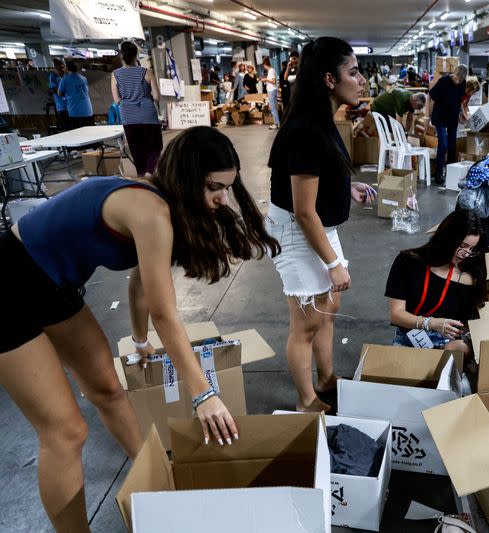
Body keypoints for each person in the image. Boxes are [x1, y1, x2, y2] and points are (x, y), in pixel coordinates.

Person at [0, 126, 280, 532]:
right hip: (9, 283)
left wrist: (140, 340)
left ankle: (158, 481)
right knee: (66, 433)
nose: (222, 199)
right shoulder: (151, 211)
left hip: (53, 285)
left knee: (110, 391)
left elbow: (140, 286)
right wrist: (204, 394)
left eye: (228, 187)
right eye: (214, 187)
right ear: (186, 178)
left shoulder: (161, 205)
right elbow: (167, 313)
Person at [267, 37, 375, 413]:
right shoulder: (306, 131)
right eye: (354, 72)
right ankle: (306, 400)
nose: (361, 80)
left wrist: (349, 187)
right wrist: (332, 263)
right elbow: (303, 211)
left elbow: (317, 182)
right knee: (306, 325)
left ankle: (327, 378)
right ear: (330, 79)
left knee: (328, 309)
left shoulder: (323, 120)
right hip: (298, 233)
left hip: (317, 227)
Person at [385, 209, 489, 358]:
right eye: (463, 246)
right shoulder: (407, 261)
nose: (466, 254)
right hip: (408, 336)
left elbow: (466, 324)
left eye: (471, 249)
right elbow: (396, 315)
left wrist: (462, 342)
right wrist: (432, 324)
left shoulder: (470, 276)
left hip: (446, 343)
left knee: (460, 348)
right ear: (447, 239)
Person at [111, 41, 162, 177]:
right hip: (148, 115)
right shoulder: (147, 72)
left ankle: (141, 176)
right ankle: (149, 172)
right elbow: (157, 96)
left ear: (122, 56)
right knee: (155, 148)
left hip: (128, 116)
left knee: (137, 149)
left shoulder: (115, 74)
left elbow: (116, 100)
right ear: (137, 55)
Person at [429, 63, 467, 185]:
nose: (457, 82)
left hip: (452, 118)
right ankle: (438, 173)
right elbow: (431, 96)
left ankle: (451, 174)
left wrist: (462, 113)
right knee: (443, 145)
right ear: (453, 74)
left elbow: (459, 100)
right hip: (440, 116)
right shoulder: (443, 81)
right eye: (456, 79)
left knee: (452, 146)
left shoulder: (462, 83)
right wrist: (428, 116)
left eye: (460, 80)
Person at [58, 61, 93, 130]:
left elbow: (59, 93)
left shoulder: (65, 79)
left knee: (78, 134)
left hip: (75, 111)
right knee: (89, 134)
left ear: (67, 68)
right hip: (88, 110)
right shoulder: (83, 78)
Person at [48, 58, 68, 131]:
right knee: (66, 127)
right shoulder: (53, 76)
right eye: (59, 68)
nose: (62, 70)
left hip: (70, 106)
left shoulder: (67, 75)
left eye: (63, 67)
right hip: (61, 106)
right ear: (55, 69)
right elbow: (57, 91)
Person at [261, 57, 281, 129]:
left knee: (273, 108)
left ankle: (276, 123)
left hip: (271, 91)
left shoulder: (271, 70)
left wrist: (265, 79)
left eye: (263, 65)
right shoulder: (271, 70)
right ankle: (277, 123)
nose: (264, 67)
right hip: (272, 90)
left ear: (265, 64)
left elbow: (273, 81)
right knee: (274, 107)